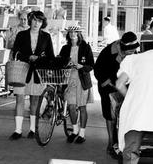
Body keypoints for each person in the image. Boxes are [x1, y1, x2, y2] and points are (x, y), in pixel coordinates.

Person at [8, 10, 55, 140]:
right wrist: (29, 57)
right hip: (21, 71)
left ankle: (33, 130)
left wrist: (40, 60)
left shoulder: (46, 37)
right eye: (34, 20)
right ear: (30, 21)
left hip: (38, 73)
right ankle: (18, 130)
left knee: (35, 102)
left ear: (42, 23)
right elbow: (15, 53)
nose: (36, 23)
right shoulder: (21, 35)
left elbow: (51, 56)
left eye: (39, 21)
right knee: (20, 100)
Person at [93, 31, 139, 160]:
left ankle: (121, 144)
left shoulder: (133, 53)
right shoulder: (108, 51)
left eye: (134, 50)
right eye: (130, 50)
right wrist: (110, 85)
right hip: (108, 87)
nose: (133, 52)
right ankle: (111, 144)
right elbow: (98, 71)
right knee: (111, 116)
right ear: (123, 47)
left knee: (124, 115)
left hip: (124, 88)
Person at [58, 25, 94, 144]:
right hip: (69, 80)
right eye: (71, 32)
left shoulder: (85, 47)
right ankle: (75, 130)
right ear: (68, 34)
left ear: (79, 34)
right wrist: (65, 64)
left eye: (75, 32)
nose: (73, 34)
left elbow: (91, 65)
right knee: (71, 106)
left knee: (82, 107)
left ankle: (82, 134)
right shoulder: (65, 48)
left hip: (82, 80)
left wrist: (82, 66)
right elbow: (59, 62)